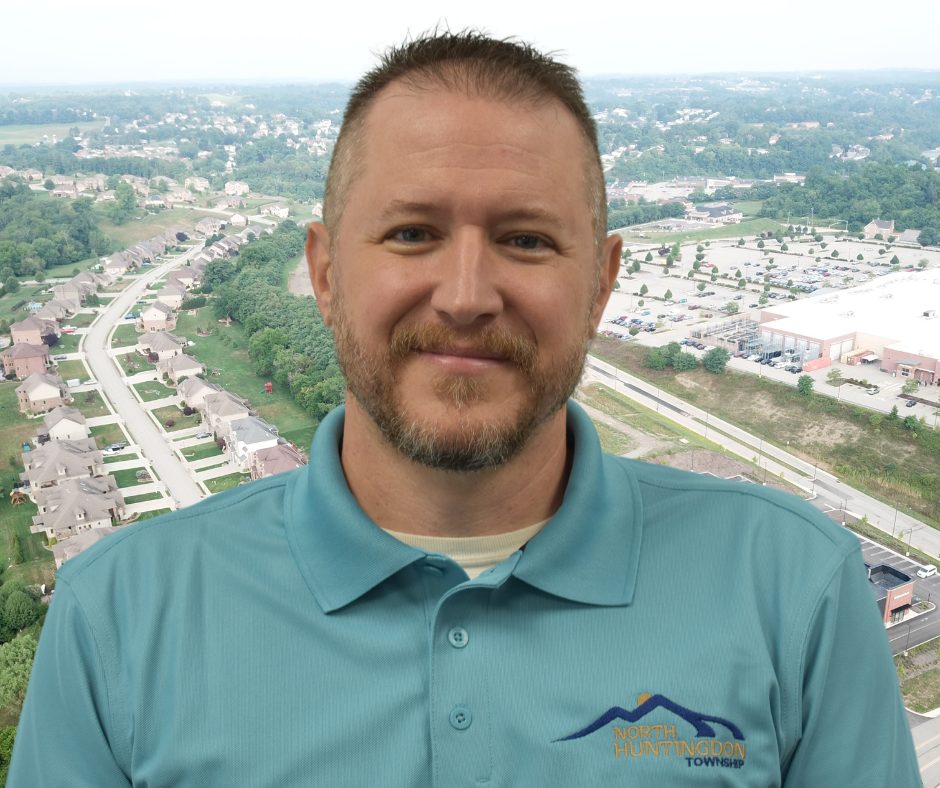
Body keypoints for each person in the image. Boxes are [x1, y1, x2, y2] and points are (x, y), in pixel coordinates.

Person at [10, 32, 919, 786]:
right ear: (326, 274)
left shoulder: (794, 590)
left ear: (601, 284)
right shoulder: (122, 618)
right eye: (413, 233)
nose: (467, 295)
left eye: (526, 239)